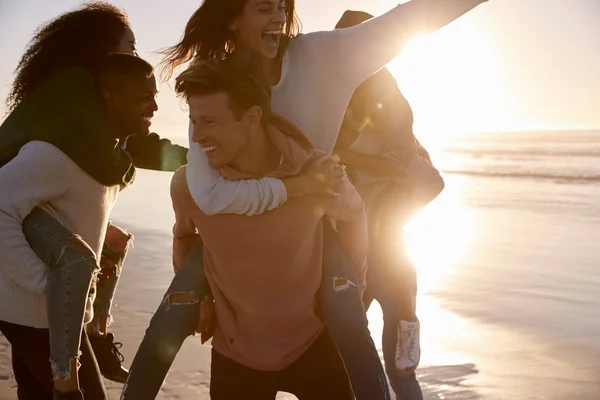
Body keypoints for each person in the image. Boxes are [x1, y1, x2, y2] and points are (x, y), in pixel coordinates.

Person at [123, 0, 489, 398]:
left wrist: (355, 270)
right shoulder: (215, 84)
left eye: (283, 6)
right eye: (265, 8)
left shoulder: (325, 58)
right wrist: (207, 290)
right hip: (233, 229)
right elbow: (206, 194)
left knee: (349, 324)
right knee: (170, 318)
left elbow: (409, 20)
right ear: (232, 17)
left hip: (310, 225)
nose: (279, 17)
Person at [176, 56, 366, 399]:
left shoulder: (315, 174)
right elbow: (184, 235)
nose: (197, 136)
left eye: (209, 122)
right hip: (235, 352)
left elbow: (355, 215)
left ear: (251, 118)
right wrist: (196, 295)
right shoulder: (188, 187)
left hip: (314, 342)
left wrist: (350, 294)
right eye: (193, 122)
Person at [1, 2, 145, 386]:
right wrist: (48, 284)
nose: (136, 54)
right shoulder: (72, 116)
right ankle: (95, 331)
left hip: (29, 306)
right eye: (130, 46)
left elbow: (123, 154)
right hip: (36, 309)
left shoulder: (85, 125)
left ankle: (97, 330)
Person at [333, 10, 445, 399]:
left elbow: (430, 181)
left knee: (400, 370)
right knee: (348, 365)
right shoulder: (334, 97)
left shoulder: (389, 104)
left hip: (390, 260)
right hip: (356, 258)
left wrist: (384, 209)